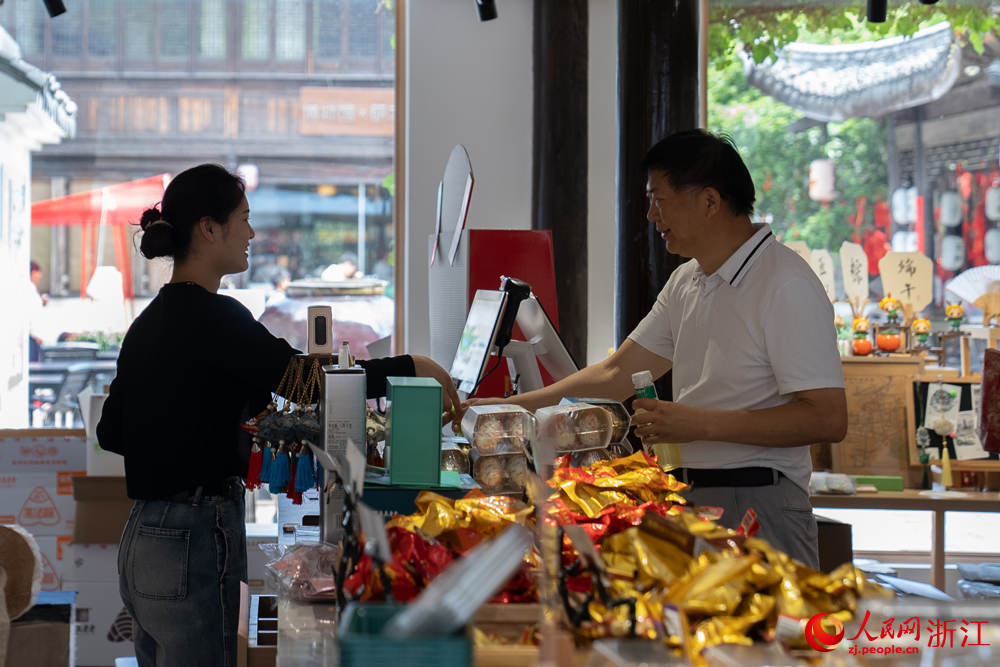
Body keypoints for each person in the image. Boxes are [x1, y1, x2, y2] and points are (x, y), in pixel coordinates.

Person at [96, 164, 458, 666]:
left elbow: (112, 431)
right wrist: (412, 366)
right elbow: (306, 383)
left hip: (142, 540)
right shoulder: (218, 317)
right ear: (209, 228)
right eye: (242, 218)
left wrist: (217, 409)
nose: (250, 233)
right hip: (196, 537)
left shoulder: (146, 324)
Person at [458, 130, 846, 567]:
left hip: (758, 500)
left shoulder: (786, 283)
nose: (649, 215)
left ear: (710, 201)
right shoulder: (688, 280)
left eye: (658, 199)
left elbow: (827, 418)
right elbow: (616, 372)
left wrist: (699, 424)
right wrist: (509, 408)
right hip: (689, 498)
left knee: (764, 635)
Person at [27, 260, 47, 361]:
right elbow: (31, 315)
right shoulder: (28, 289)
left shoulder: (31, 289)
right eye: (38, 272)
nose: (40, 275)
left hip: (33, 337)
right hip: (32, 337)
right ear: (32, 272)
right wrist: (37, 335)